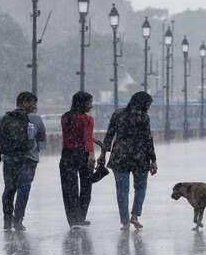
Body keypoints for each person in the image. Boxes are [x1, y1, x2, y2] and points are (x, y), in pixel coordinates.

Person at [0, 91, 46, 231]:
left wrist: (1, 144)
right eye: (32, 103)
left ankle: (7, 221)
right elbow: (42, 138)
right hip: (28, 159)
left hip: (9, 159)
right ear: (24, 103)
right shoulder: (35, 118)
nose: (34, 106)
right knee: (24, 189)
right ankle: (18, 221)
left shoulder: (3, 117)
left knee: (9, 189)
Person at [98, 91, 158, 230]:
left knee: (122, 190)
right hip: (140, 157)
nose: (149, 107)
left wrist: (103, 153)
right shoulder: (144, 117)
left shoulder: (118, 114)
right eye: (148, 104)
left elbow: (109, 135)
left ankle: (124, 221)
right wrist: (153, 160)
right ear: (143, 103)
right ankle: (135, 217)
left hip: (120, 157)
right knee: (140, 188)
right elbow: (148, 139)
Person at [60, 91, 96, 228]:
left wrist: (92, 139)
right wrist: (91, 154)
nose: (91, 106)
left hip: (67, 154)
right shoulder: (87, 119)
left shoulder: (65, 117)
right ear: (83, 103)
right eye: (89, 103)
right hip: (83, 154)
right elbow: (86, 137)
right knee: (86, 187)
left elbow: (74, 135)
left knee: (69, 188)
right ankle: (81, 216)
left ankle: (73, 220)